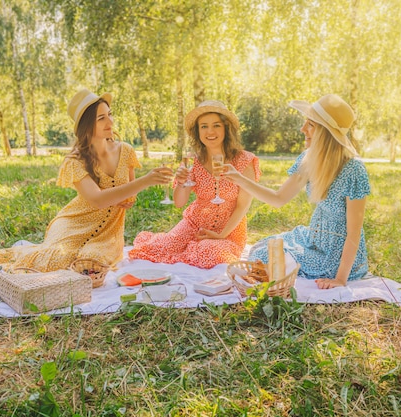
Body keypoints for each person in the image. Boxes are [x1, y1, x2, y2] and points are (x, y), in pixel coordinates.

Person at [0, 89, 173, 272]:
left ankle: (37, 250)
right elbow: (98, 199)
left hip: (108, 233)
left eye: (109, 115)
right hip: (73, 222)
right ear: (86, 125)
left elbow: (128, 196)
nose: (110, 122)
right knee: (56, 261)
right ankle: (26, 252)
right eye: (101, 118)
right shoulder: (74, 161)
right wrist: (145, 181)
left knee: (91, 263)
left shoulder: (126, 151)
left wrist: (129, 196)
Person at [221, 94, 370, 289]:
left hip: (336, 254)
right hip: (314, 239)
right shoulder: (309, 159)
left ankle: (272, 275)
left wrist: (340, 279)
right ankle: (269, 274)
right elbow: (278, 198)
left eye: (310, 125)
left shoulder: (354, 170)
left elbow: (354, 233)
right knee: (261, 250)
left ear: (325, 132)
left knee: (270, 258)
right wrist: (239, 178)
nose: (302, 129)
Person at [128, 100, 261, 269]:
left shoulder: (244, 160)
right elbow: (179, 202)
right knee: (160, 248)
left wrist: (221, 235)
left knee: (209, 252)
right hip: (194, 222)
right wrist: (182, 183)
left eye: (216, 125)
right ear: (197, 131)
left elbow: (242, 206)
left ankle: (195, 248)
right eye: (204, 126)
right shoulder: (192, 160)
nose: (210, 131)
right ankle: (187, 246)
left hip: (228, 230)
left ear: (226, 128)